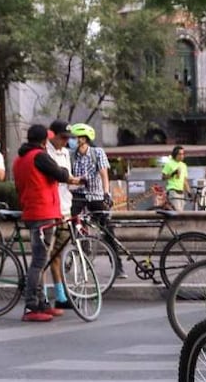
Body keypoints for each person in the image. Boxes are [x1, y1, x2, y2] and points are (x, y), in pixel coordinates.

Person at [12, 124, 81, 322]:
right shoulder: (39, 156)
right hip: (43, 212)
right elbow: (59, 173)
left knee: (41, 260)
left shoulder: (19, 159)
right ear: (44, 141)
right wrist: (71, 177)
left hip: (33, 210)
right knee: (39, 261)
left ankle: (42, 303)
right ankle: (31, 306)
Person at [69, 123, 124, 279]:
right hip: (78, 195)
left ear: (84, 139)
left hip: (96, 195)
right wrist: (76, 182)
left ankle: (117, 265)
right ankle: (75, 257)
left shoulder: (97, 153)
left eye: (76, 137)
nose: (74, 140)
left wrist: (106, 193)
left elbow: (104, 174)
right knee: (70, 226)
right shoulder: (71, 155)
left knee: (107, 229)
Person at [45, 120, 75, 311]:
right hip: (50, 208)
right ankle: (44, 295)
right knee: (45, 256)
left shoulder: (65, 153)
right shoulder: (45, 153)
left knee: (59, 253)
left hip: (65, 207)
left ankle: (61, 294)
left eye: (68, 138)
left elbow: (67, 178)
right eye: (62, 138)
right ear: (53, 135)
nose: (65, 142)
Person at [162, 145, 190, 211]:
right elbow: (163, 177)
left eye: (183, 154)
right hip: (173, 190)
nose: (182, 156)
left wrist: (189, 192)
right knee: (177, 212)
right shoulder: (169, 164)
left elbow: (185, 180)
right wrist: (173, 173)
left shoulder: (183, 165)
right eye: (180, 154)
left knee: (181, 212)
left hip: (181, 192)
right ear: (175, 154)